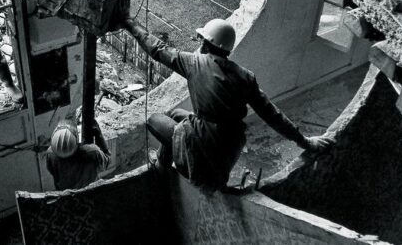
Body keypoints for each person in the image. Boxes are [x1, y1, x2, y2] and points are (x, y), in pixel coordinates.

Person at [123, 17, 333, 191]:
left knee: (154, 120)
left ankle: (162, 168)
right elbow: (273, 116)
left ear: (205, 44)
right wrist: (305, 142)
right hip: (227, 151)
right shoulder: (246, 77)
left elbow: (157, 49)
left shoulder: (194, 63)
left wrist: (130, 23)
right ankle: (169, 161)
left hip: (203, 149)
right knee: (176, 113)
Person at [46, 116, 110, 190]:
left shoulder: (50, 154)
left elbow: (53, 172)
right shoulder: (92, 152)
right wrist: (98, 134)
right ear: (76, 140)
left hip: (65, 196)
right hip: (90, 193)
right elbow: (107, 161)